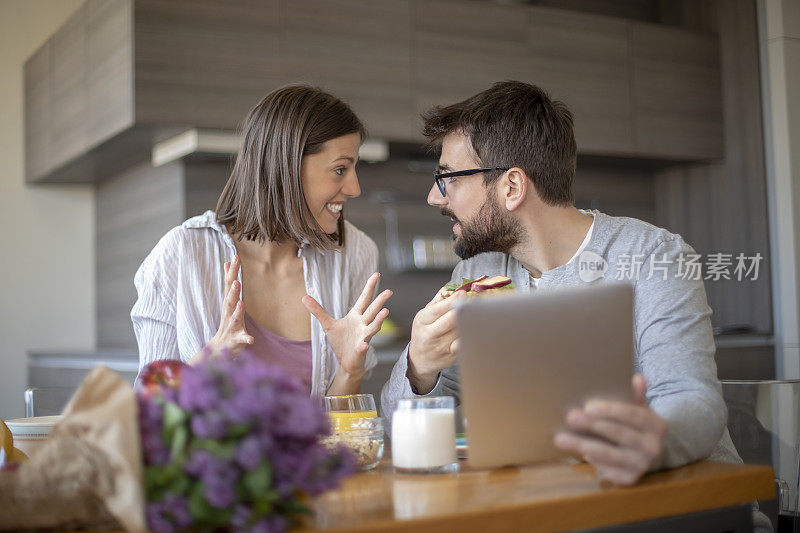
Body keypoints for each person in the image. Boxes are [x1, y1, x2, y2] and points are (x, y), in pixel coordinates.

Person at [381, 81, 742, 487]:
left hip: (689, 507)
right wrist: (420, 368)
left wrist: (653, 440)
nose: (434, 196)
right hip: (560, 504)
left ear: (512, 187)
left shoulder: (651, 255)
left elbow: (695, 401)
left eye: (448, 178)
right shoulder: (477, 275)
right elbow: (403, 434)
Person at [132, 84, 392, 397]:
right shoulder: (181, 255)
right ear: (287, 166)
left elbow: (333, 427)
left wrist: (350, 370)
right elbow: (149, 414)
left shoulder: (353, 252)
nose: (354, 188)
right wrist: (211, 359)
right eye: (340, 169)